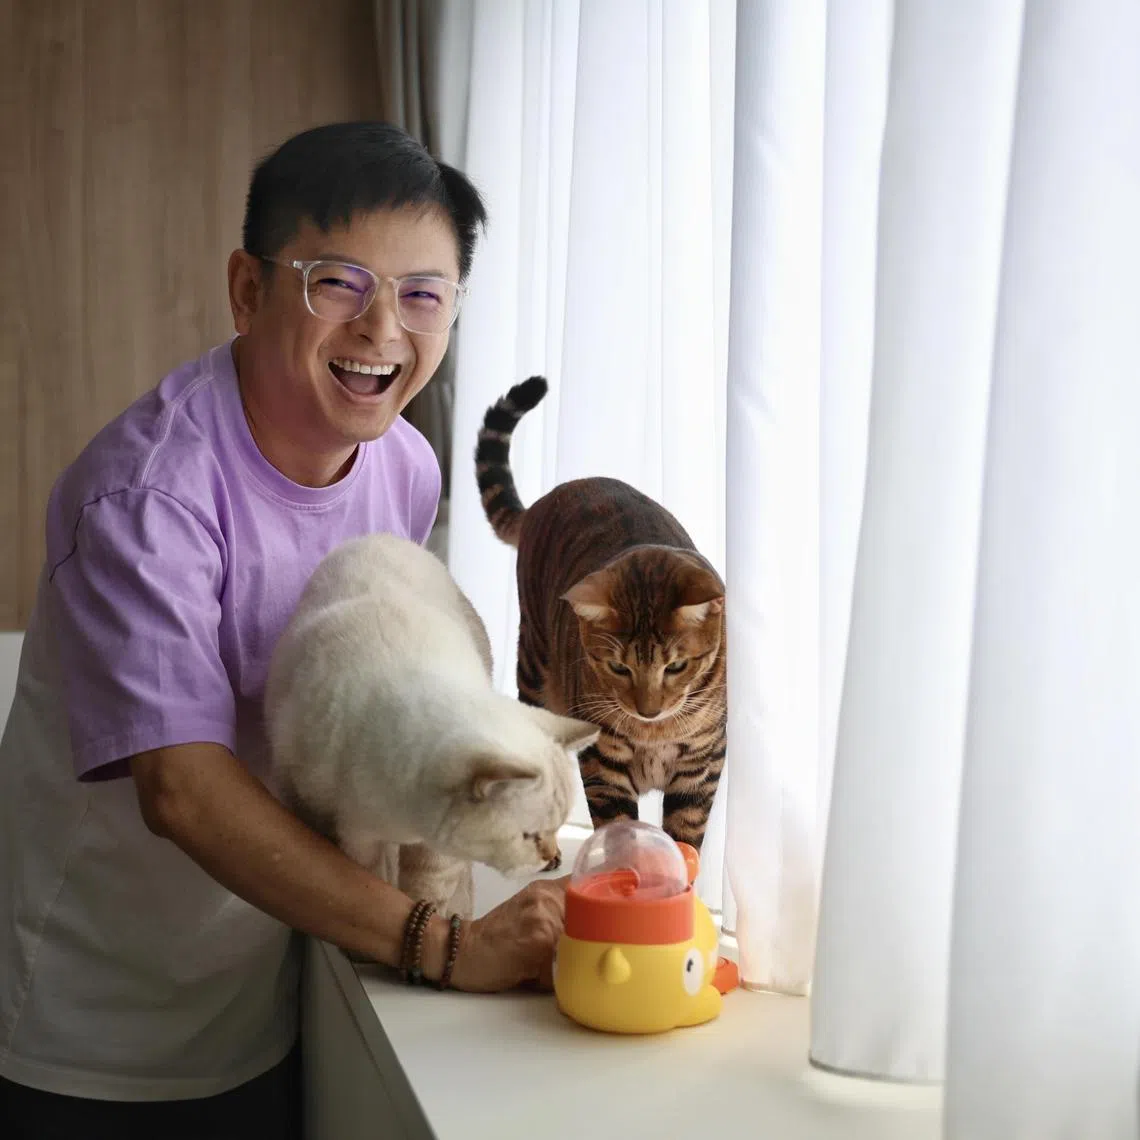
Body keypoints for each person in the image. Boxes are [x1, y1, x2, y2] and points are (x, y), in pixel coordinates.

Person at [0, 121, 567, 1139]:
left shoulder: (404, 465)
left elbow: (370, 704)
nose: (383, 329)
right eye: (338, 282)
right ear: (248, 288)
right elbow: (181, 790)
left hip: (267, 982)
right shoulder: (147, 496)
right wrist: (438, 942)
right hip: (89, 1034)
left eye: (423, 293)